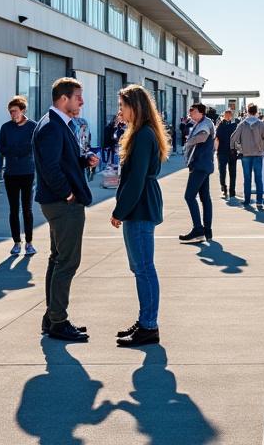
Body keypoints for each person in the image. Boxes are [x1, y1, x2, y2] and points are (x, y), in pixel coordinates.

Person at [34, 77, 99, 343]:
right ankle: (59, 321)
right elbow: (50, 168)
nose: (82, 102)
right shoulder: (52, 126)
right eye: (78, 97)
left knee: (57, 258)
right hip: (63, 204)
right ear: (64, 99)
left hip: (59, 202)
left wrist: (84, 160)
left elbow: (62, 160)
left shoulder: (59, 123)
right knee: (68, 261)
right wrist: (68, 194)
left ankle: (52, 318)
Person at [112, 84, 167, 348]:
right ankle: (145, 320)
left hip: (140, 206)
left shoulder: (144, 135)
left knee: (144, 268)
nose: (120, 110)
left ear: (136, 106)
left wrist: (119, 210)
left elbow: (136, 179)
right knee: (140, 267)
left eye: (123, 105)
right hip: (140, 205)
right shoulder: (140, 132)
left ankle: (148, 326)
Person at [0, 96, 37, 256]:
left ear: (22, 110)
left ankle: (29, 242)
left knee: (27, 209)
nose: (12, 114)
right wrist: (16, 151)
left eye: (14, 111)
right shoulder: (6, 128)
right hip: (11, 173)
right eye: (10, 112)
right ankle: (16, 242)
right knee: (13, 209)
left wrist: (15, 150)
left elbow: (32, 147)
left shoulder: (33, 127)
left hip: (27, 172)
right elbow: (2, 147)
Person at [180, 103, 215, 243]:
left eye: (192, 111)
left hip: (200, 165)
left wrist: (188, 142)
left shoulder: (205, 124)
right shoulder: (201, 123)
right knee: (205, 197)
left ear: (201, 112)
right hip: (204, 165)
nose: (190, 113)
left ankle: (198, 229)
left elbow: (203, 137)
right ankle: (207, 230)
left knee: (189, 196)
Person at [233, 104, 264, 207]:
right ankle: (259, 201)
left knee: (247, 178)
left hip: (246, 154)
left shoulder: (242, 124)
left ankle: (247, 201)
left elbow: (233, 138)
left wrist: (239, 148)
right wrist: (263, 144)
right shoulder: (261, 124)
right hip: (258, 154)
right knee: (258, 178)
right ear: (257, 112)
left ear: (247, 111)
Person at [215, 109, 238, 198]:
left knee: (232, 172)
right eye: (226, 115)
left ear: (231, 116)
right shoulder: (220, 125)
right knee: (222, 172)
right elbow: (216, 138)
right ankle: (224, 188)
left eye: (229, 115)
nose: (228, 117)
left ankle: (231, 190)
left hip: (231, 152)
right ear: (224, 116)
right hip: (222, 152)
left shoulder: (235, 125)